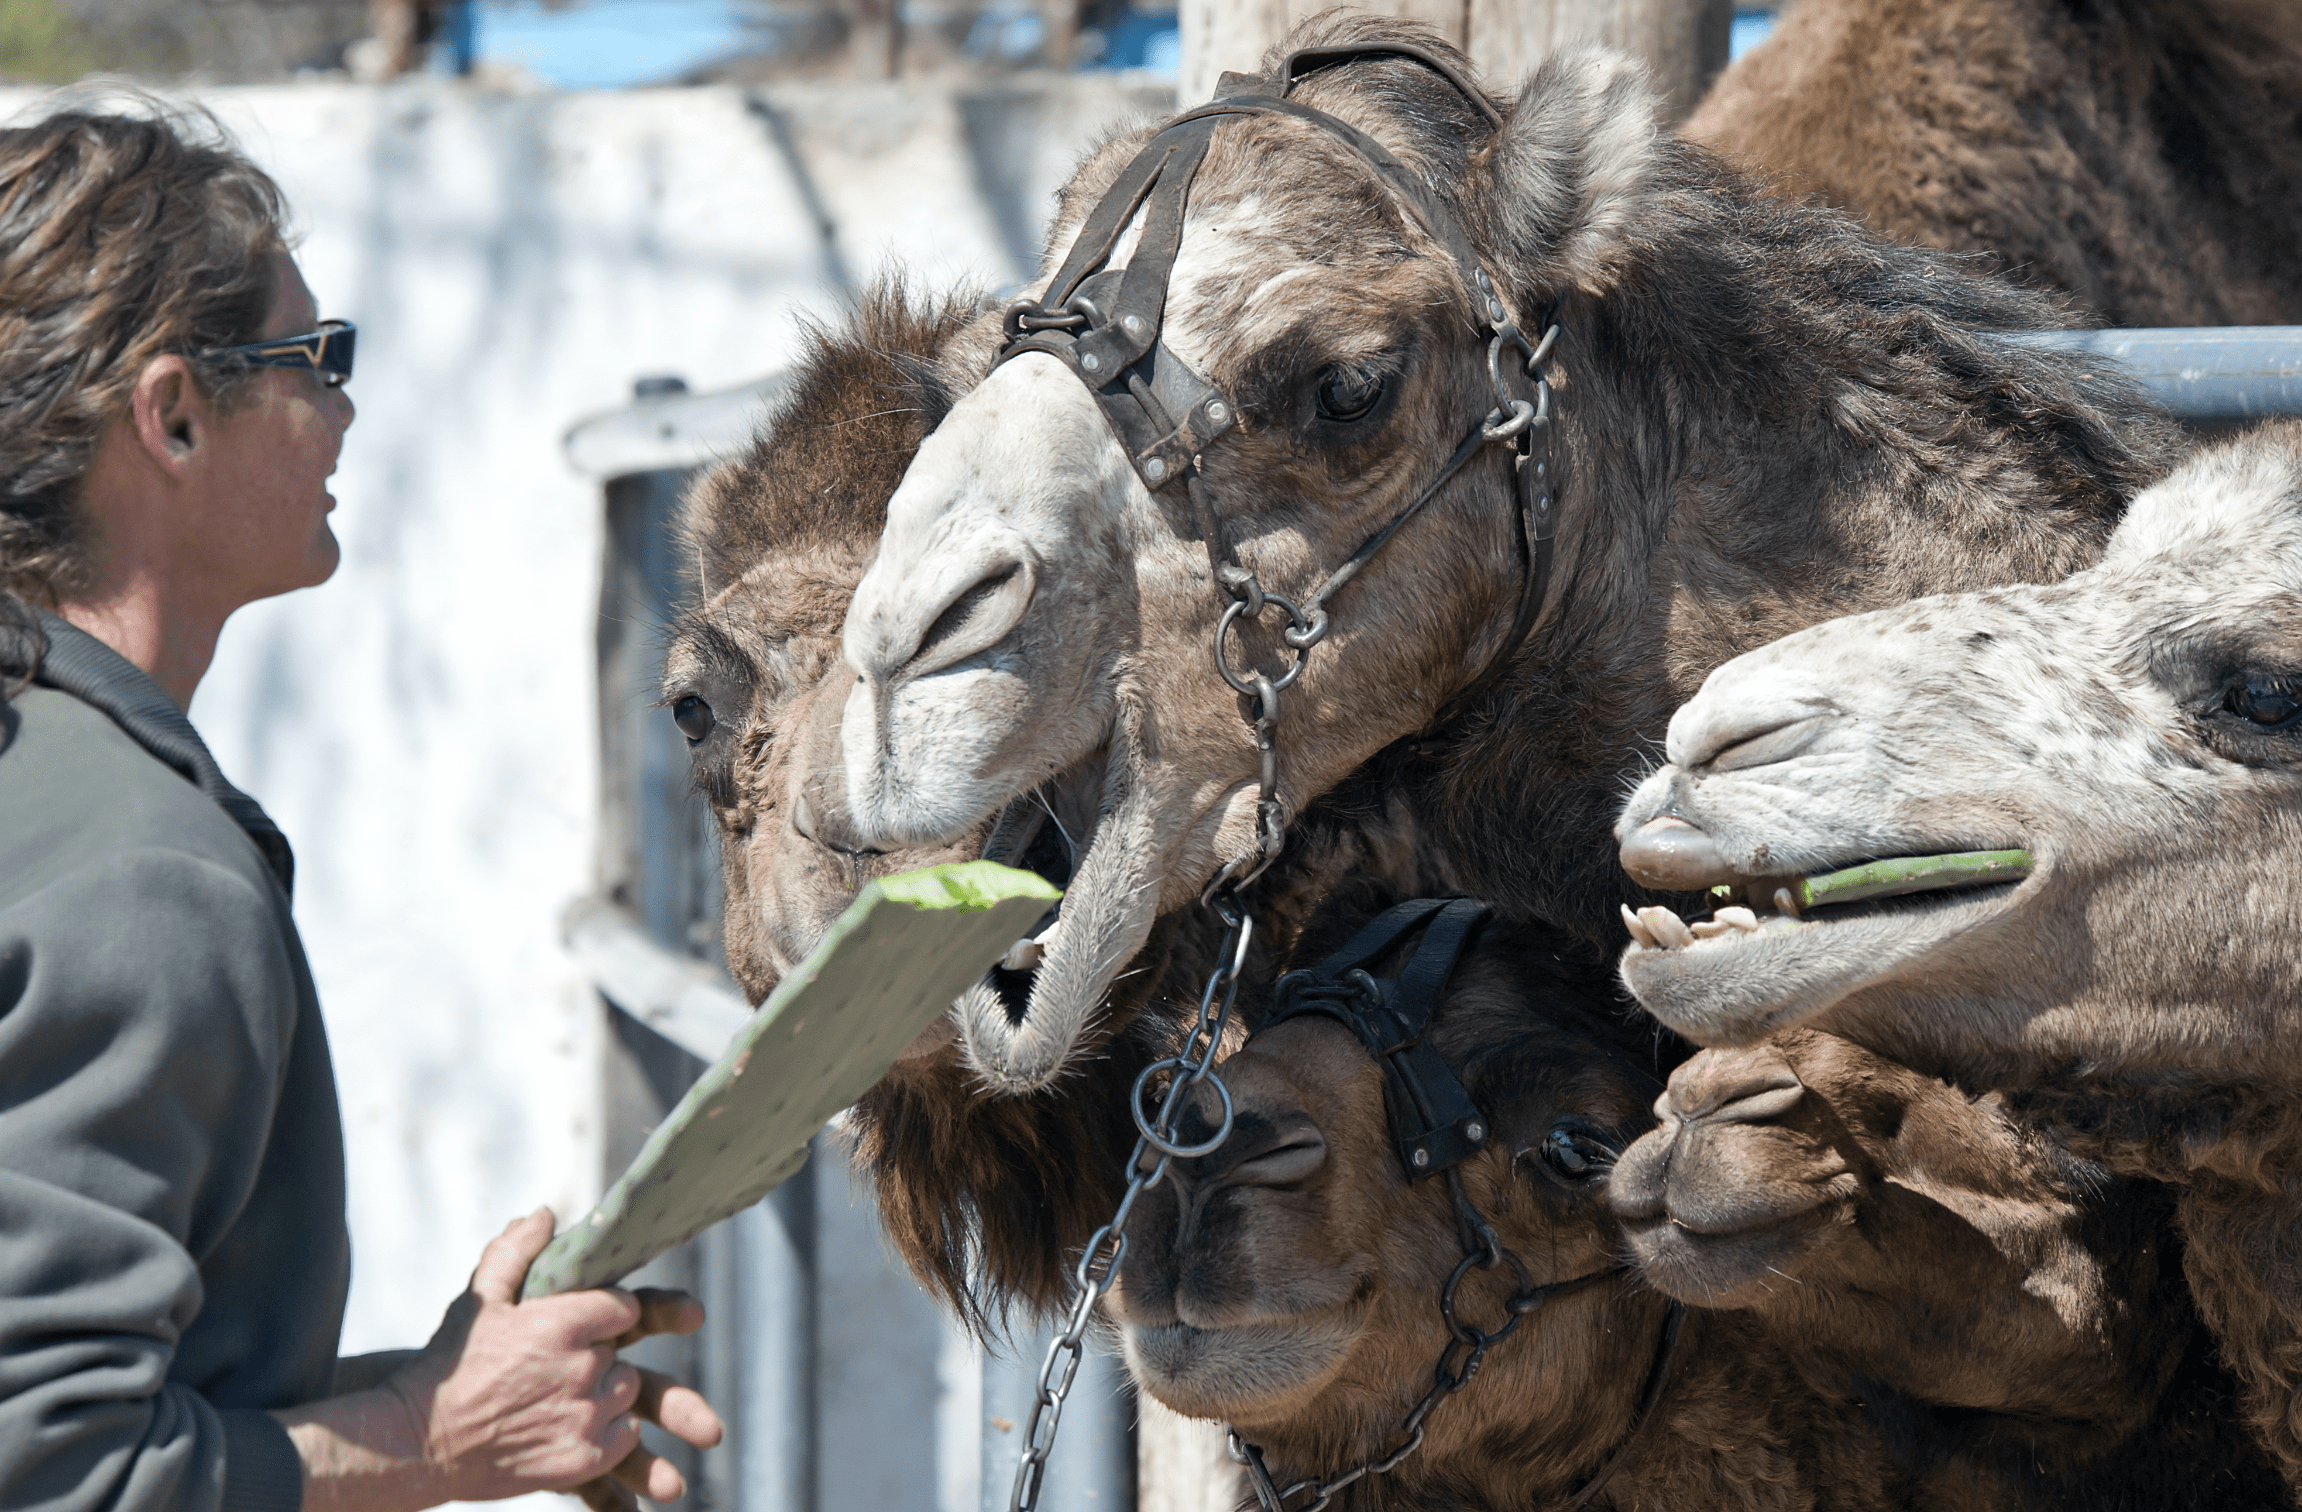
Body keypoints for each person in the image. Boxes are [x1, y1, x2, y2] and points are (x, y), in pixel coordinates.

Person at [0, 98, 721, 1512]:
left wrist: (461, 1397)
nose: (338, 407)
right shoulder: (144, 879)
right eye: (312, 358)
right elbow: (51, 1470)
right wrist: (438, 1441)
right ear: (176, 415)